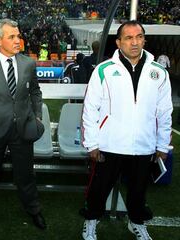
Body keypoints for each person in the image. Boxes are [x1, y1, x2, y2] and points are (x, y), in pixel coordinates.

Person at [81, 20, 172, 240]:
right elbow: (90, 108)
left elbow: (164, 112)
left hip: (143, 145)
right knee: (99, 190)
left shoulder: (158, 72)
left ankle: (136, 223)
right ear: (118, 42)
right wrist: (92, 143)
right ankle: (91, 222)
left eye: (139, 37)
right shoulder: (104, 70)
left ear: (144, 39)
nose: (134, 42)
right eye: (128, 38)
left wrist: (162, 145)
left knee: (138, 191)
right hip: (109, 144)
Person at [0, 18, 46, 230]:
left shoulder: (28, 63)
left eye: (18, 36)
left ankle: (33, 209)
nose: (17, 41)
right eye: (11, 37)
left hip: (23, 130)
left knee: (26, 175)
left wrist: (38, 116)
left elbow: (35, 92)